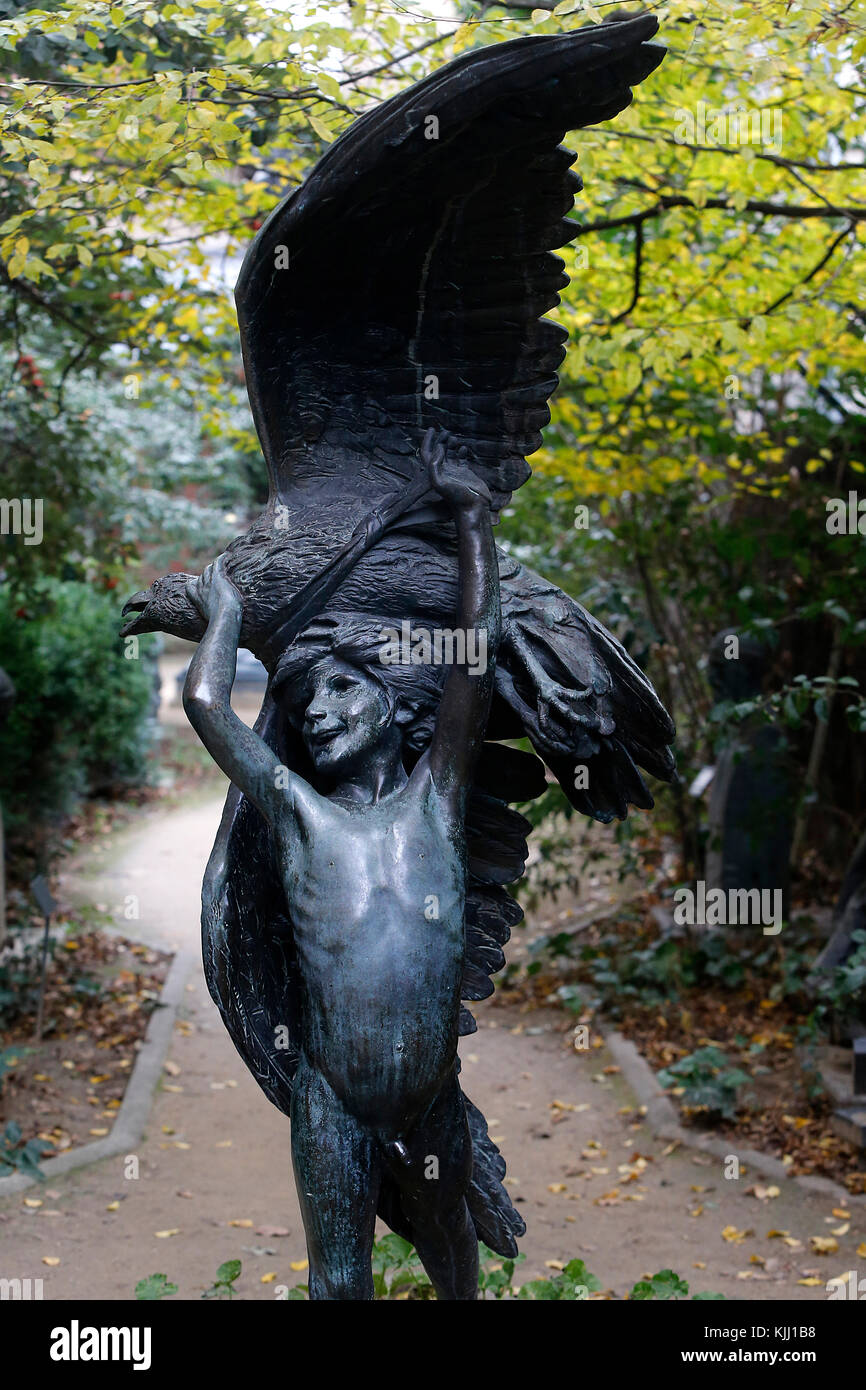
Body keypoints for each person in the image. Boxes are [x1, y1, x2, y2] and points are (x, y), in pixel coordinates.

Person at [183, 429, 500, 1300]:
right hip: (334, 1103)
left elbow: (479, 644)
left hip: (431, 1096)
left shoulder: (438, 798)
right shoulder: (298, 814)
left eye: (343, 688)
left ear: (397, 709)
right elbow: (208, 703)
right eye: (306, 697)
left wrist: (472, 516)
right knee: (338, 1283)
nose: (319, 711)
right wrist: (227, 622)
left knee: (452, 1252)